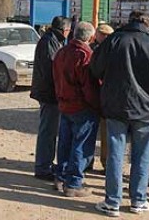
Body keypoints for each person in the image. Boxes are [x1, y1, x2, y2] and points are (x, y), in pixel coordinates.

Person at [90, 11, 149, 216]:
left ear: (129, 21)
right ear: (147, 24)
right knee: (142, 155)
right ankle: (138, 200)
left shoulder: (113, 41)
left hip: (116, 106)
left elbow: (95, 69)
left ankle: (112, 202)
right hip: (146, 108)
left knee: (115, 154)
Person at [53, 21, 99, 197]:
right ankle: (74, 183)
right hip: (82, 106)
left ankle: (61, 177)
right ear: (91, 37)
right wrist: (97, 105)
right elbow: (90, 86)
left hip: (65, 104)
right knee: (81, 145)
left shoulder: (62, 52)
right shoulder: (85, 55)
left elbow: (56, 78)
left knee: (65, 142)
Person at [31, 16, 71, 181]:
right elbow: (52, 69)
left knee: (50, 130)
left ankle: (45, 163)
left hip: (49, 92)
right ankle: (43, 167)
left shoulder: (53, 40)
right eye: (68, 31)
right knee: (48, 131)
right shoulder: (49, 42)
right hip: (49, 94)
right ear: (64, 30)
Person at [89, 23, 114, 172]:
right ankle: (106, 163)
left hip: (101, 96)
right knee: (106, 134)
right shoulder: (114, 49)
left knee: (103, 133)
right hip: (106, 97)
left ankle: (104, 162)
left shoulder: (99, 51)